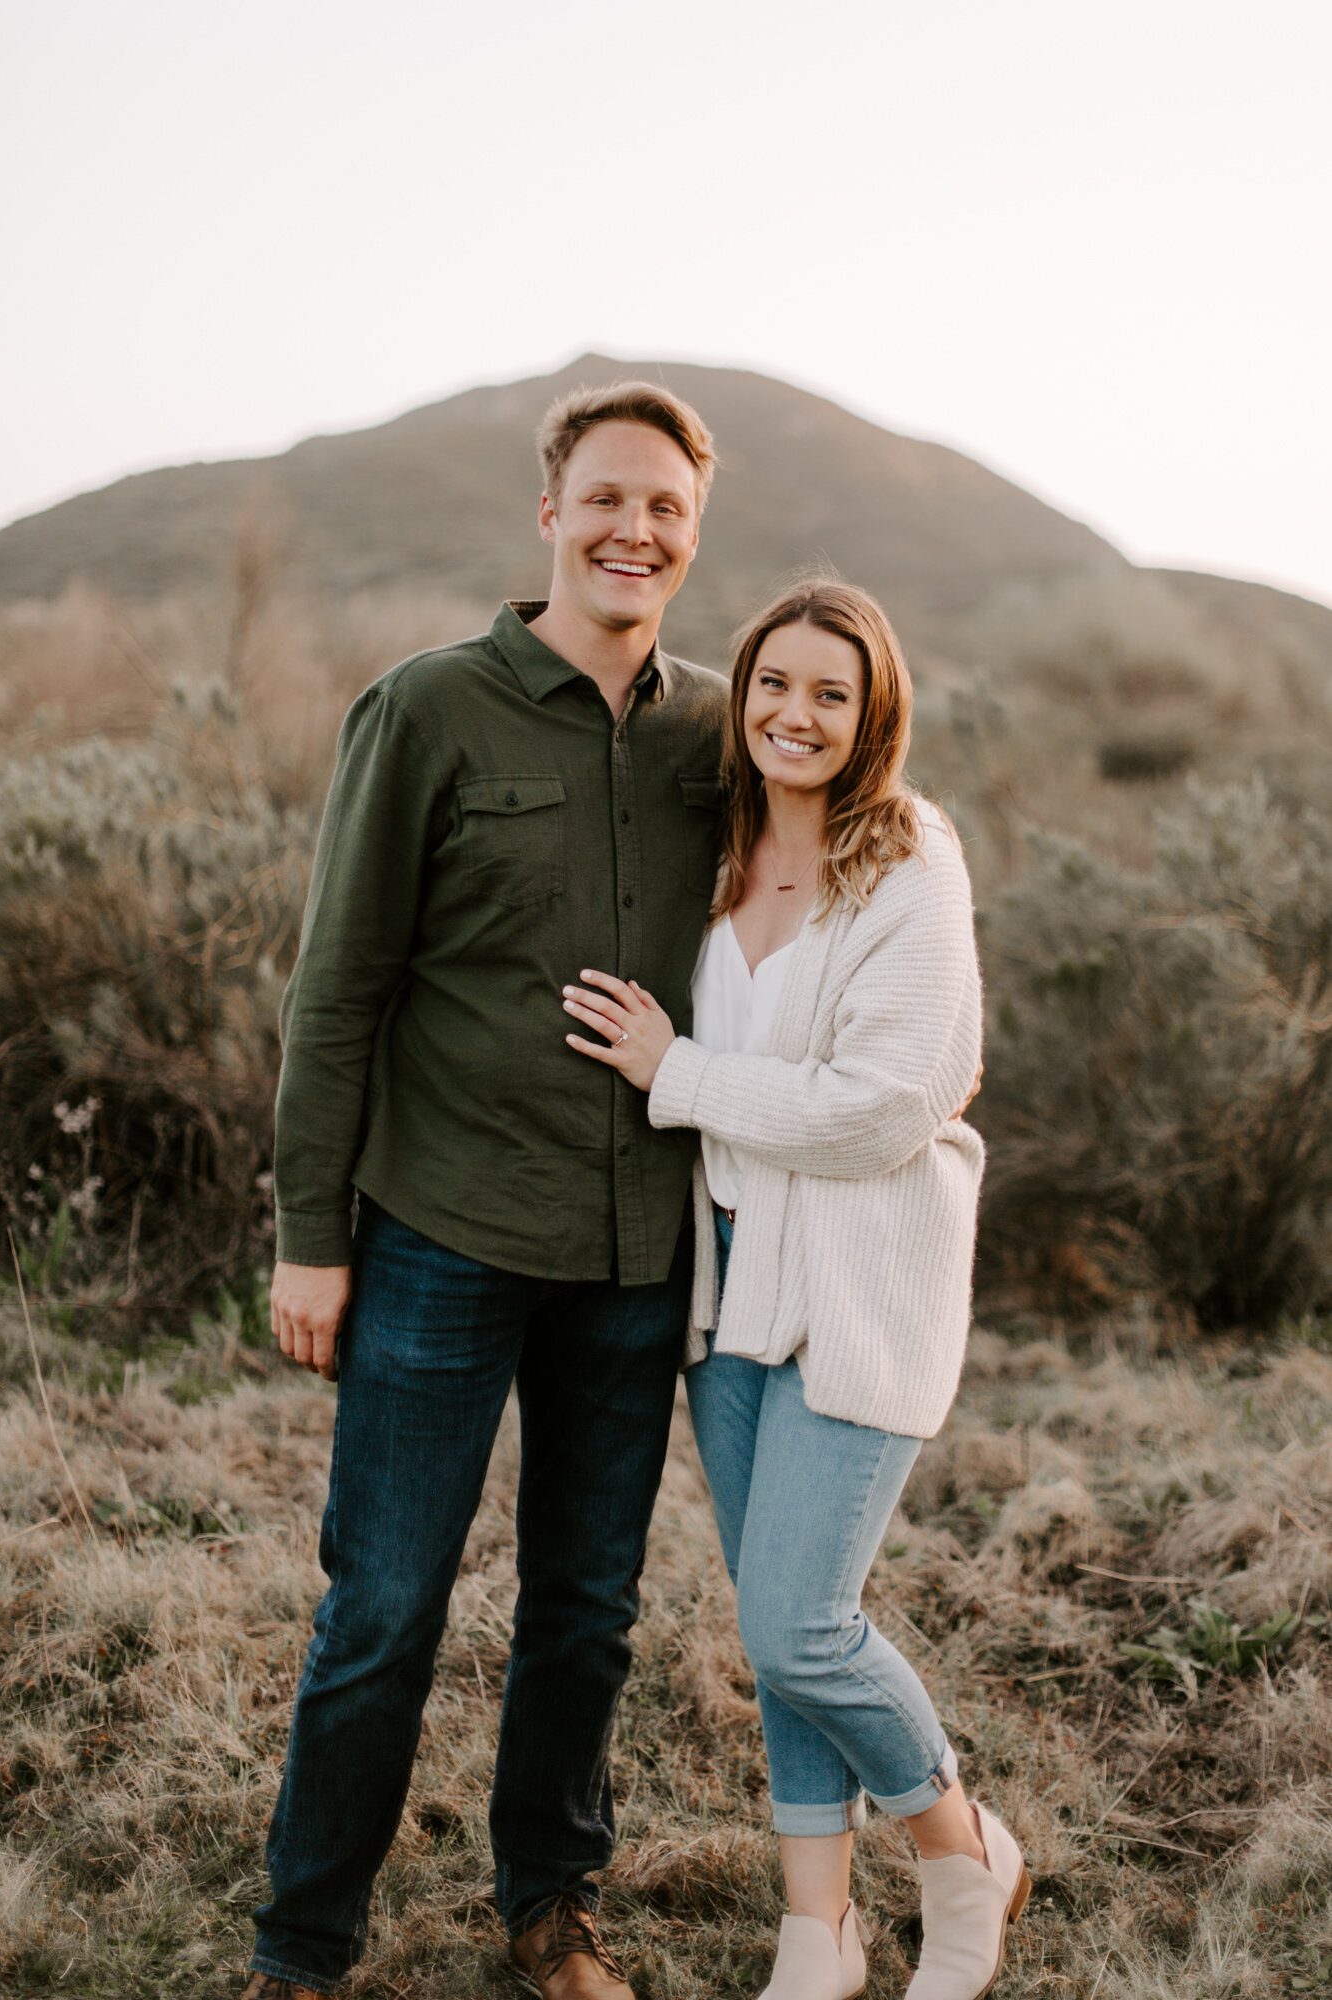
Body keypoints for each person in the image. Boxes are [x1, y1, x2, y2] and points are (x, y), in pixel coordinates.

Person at [243, 382, 728, 2000]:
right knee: (382, 1607)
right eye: (604, 498)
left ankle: (548, 1908)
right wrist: (312, 1239)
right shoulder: (430, 707)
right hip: (443, 1237)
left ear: (691, 530)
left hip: (633, 1250)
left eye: (662, 507)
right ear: (548, 514)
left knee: (585, 1610)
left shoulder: (720, 729)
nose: (630, 530)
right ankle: (305, 1946)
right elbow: (339, 990)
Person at [561, 579, 1028, 2000]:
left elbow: (882, 1108)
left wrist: (676, 1075)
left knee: (798, 1624)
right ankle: (812, 1934)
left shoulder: (908, 860)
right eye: (773, 684)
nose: (795, 715)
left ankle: (960, 1856)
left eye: (831, 692)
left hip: (858, 1290)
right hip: (731, 1295)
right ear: (740, 694)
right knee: (781, 1634)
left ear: (871, 710)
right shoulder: (712, 848)